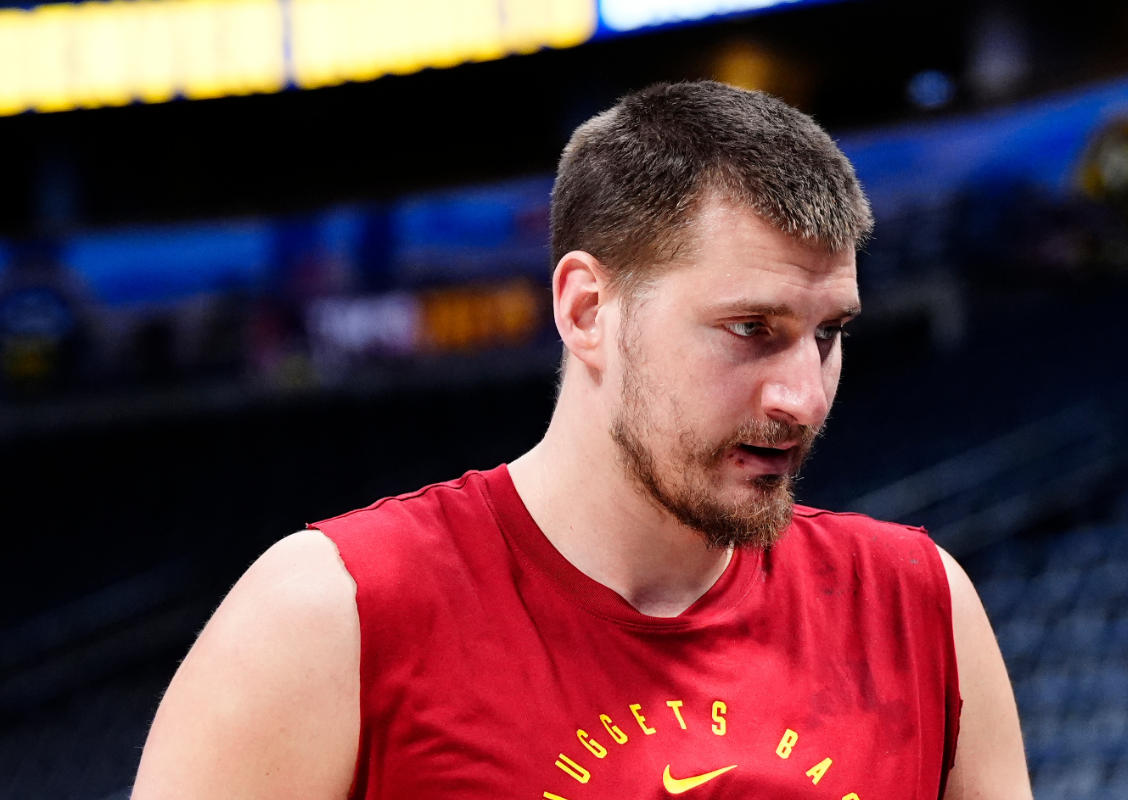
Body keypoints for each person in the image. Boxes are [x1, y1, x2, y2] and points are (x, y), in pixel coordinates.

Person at [132, 81, 1030, 800]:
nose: (802, 397)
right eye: (751, 329)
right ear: (588, 309)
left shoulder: (921, 605)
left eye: (828, 334)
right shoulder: (326, 618)